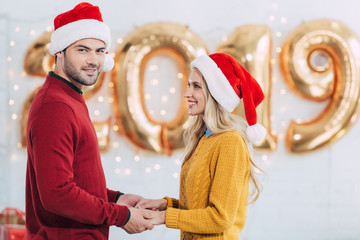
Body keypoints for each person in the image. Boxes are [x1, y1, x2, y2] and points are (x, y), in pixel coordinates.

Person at [25, 2, 155, 239]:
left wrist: (116, 199)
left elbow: (76, 181)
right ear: (60, 51)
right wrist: (121, 216)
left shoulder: (69, 98)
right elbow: (57, 193)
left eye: (100, 50)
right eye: (82, 50)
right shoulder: (55, 106)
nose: (93, 60)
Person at [136, 53, 267, 239]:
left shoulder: (230, 142)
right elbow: (199, 206)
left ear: (215, 94)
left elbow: (219, 218)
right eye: (189, 85)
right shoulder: (204, 138)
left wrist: (163, 217)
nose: (187, 93)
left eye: (196, 86)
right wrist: (164, 204)